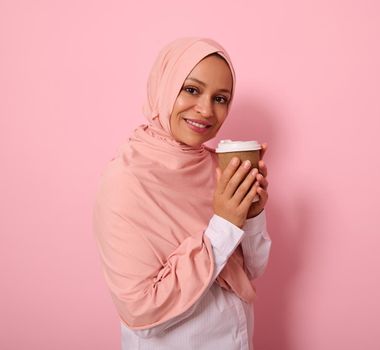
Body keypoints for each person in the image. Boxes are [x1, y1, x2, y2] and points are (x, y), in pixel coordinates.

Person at [92, 37, 271, 350]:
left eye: (221, 98)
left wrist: (252, 211)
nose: (206, 109)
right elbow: (141, 312)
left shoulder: (219, 166)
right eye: (191, 89)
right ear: (164, 86)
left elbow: (251, 270)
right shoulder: (126, 180)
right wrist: (224, 223)